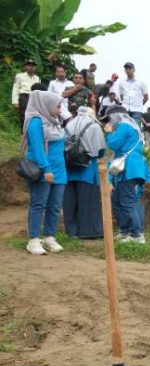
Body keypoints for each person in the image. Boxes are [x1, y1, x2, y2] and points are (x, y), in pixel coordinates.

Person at [22, 91, 66, 255]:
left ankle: (49, 237)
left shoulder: (54, 122)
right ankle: (33, 239)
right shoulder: (35, 122)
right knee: (39, 204)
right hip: (43, 170)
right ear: (46, 105)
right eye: (58, 106)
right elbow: (38, 149)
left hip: (60, 171)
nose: (60, 110)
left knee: (55, 206)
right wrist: (46, 169)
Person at [105, 105, 149, 244]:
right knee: (118, 201)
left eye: (110, 119)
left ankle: (136, 234)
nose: (109, 122)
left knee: (127, 202)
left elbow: (113, 144)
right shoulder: (132, 127)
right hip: (127, 168)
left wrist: (109, 132)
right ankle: (125, 232)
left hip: (129, 168)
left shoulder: (124, 126)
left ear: (115, 116)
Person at [63, 107, 107, 238]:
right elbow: (100, 149)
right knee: (88, 201)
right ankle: (88, 231)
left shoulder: (69, 124)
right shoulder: (94, 125)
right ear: (91, 114)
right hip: (87, 168)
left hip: (69, 168)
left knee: (70, 201)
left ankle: (71, 231)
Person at [12, 59, 41, 133]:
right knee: (23, 116)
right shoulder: (19, 76)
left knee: (34, 116)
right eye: (29, 65)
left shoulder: (37, 78)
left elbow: (39, 92)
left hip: (34, 98)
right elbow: (15, 88)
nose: (31, 67)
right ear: (26, 67)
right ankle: (23, 133)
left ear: (35, 68)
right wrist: (15, 101)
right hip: (24, 97)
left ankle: (32, 132)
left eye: (33, 66)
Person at [119, 62, 148, 126]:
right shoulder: (122, 83)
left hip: (137, 110)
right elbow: (121, 97)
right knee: (124, 128)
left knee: (136, 130)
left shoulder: (141, 82)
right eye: (126, 68)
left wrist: (139, 105)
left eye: (129, 68)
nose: (128, 70)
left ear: (134, 70)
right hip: (125, 110)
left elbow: (146, 97)